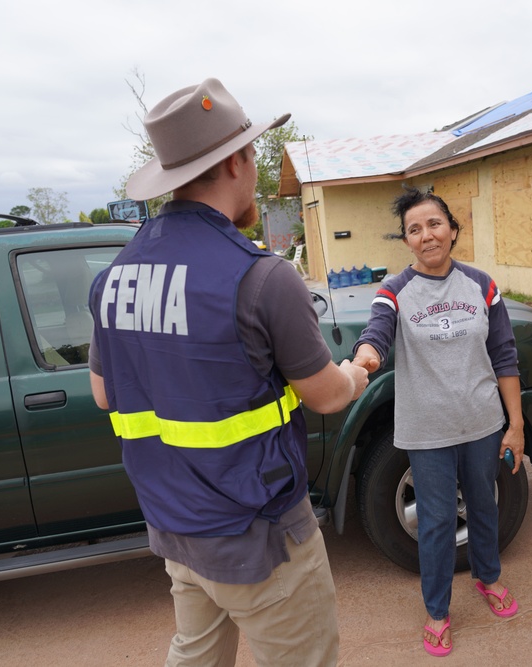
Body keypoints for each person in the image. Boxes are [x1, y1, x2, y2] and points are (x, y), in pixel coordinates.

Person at [88, 78, 369, 666]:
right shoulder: (262, 277)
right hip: (261, 539)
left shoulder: (113, 277)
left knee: (195, 654)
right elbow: (325, 397)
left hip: (176, 529)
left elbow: (105, 395)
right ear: (239, 160)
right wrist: (357, 373)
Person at [352, 186, 523, 657]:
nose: (426, 235)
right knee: (436, 521)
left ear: (451, 229)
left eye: (433, 224)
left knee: (485, 508)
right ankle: (438, 612)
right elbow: (377, 331)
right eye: (414, 229)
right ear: (406, 241)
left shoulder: (481, 285)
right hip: (426, 432)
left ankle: (488, 578)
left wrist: (516, 425)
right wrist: (365, 357)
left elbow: (504, 356)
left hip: (483, 423)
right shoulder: (395, 290)